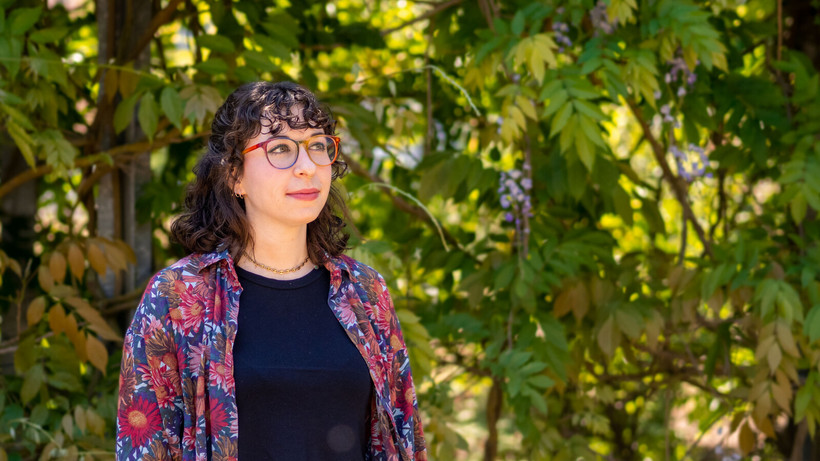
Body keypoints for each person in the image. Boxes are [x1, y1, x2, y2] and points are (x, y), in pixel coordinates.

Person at [115, 81, 427, 461]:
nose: (307, 167)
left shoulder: (363, 292)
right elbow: (144, 447)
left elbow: (404, 435)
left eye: (317, 145)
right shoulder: (178, 297)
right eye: (280, 149)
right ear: (234, 175)